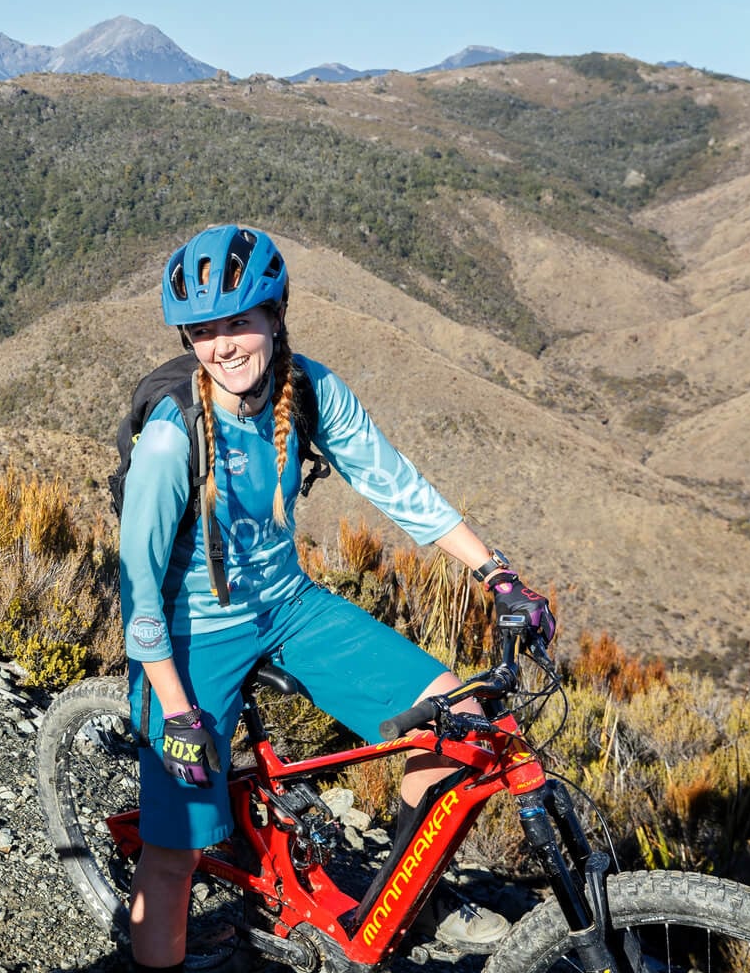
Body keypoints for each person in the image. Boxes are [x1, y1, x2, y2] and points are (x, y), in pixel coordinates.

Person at [119, 226, 555, 967]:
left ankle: (400, 903)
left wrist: (495, 573)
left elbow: (398, 487)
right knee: (175, 855)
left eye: (240, 322)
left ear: (276, 316)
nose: (223, 346)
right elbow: (137, 589)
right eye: (204, 330)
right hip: (191, 633)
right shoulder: (172, 437)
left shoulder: (312, 391)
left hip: (291, 605)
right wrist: (178, 707)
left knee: (459, 724)